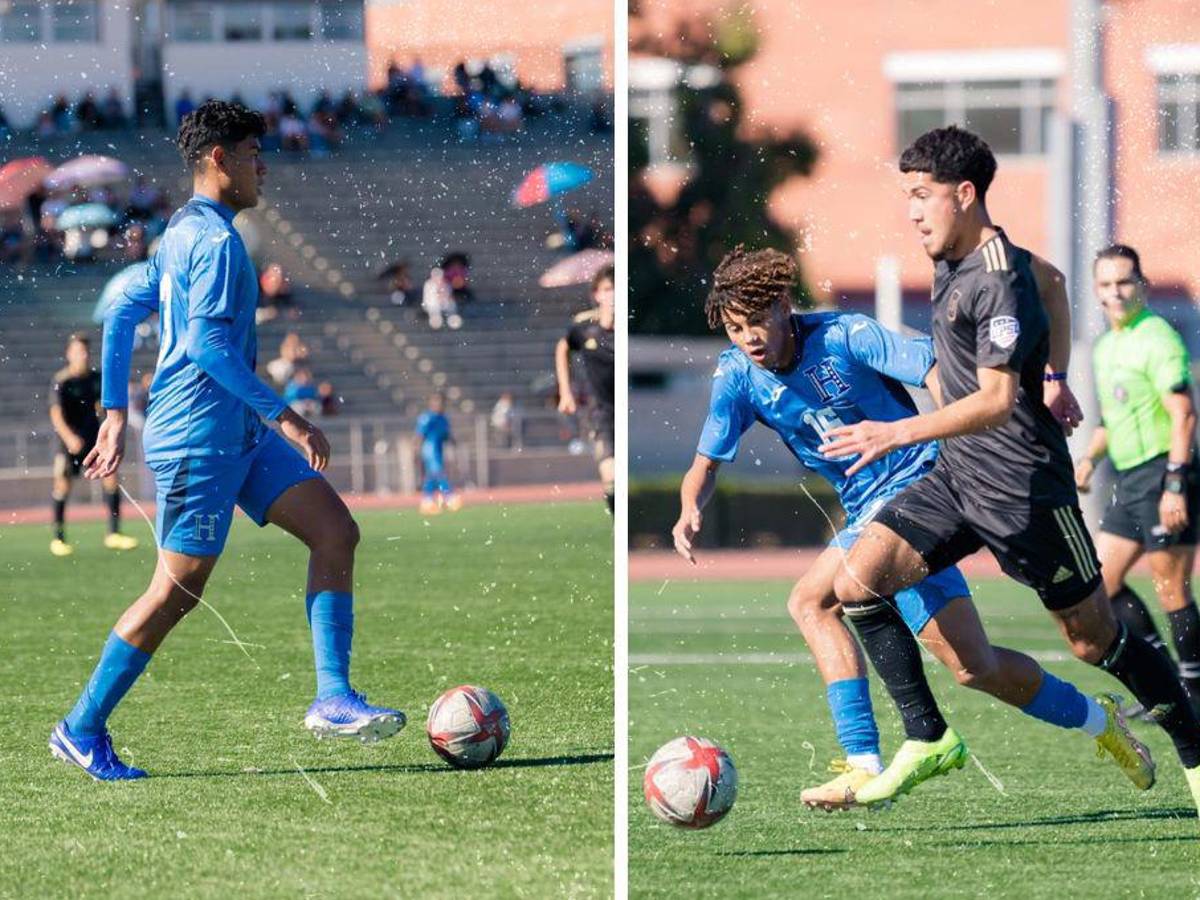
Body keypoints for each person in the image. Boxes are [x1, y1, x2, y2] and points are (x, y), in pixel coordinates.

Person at [674, 246, 1148, 810]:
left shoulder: (848, 334)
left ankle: (868, 760)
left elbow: (935, 372)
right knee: (975, 668)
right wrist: (689, 507)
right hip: (865, 511)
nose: (748, 337)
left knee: (813, 601)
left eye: (756, 322)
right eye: (734, 328)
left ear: (783, 305)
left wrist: (966, 447)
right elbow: (704, 465)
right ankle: (1102, 722)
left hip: (921, 491)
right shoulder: (736, 376)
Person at [819, 125, 1200, 811]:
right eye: (908, 196)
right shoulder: (960, 254)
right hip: (958, 479)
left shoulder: (995, 277)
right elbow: (1055, 282)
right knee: (857, 584)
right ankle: (928, 736)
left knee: (1094, 642)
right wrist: (1054, 372)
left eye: (922, 196)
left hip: (1026, 490)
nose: (912, 211)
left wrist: (896, 430)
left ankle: (1196, 755)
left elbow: (995, 402)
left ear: (964, 195)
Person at [50, 100, 405, 782]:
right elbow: (210, 344)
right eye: (252, 155)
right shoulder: (212, 241)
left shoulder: (182, 229)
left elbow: (126, 307)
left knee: (335, 531)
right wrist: (289, 417)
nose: (262, 167)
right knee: (176, 591)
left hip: (234, 435)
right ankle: (80, 727)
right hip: (198, 442)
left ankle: (332, 698)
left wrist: (118, 411)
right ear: (219, 159)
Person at [1075, 244, 1200, 715]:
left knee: (1171, 588)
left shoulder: (1158, 338)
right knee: (1101, 584)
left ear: (1141, 285)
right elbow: (1112, 419)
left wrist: (1175, 483)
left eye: (1124, 282)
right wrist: (1088, 458)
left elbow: (1183, 415)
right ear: (1097, 291)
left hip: (1163, 471)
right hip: (1128, 479)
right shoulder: (1107, 346)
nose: (1116, 292)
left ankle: (1194, 696)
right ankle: (1166, 682)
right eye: (1106, 285)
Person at [47, 334, 140, 557]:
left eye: (86, 351)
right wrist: (69, 438)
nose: (83, 356)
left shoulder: (96, 379)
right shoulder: (62, 381)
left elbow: (105, 405)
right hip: (68, 443)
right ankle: (58, 538)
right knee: (63, 485)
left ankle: (114, 533)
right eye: (79, 351)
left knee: (111, 478)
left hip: (93, 439)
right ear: (69, 354)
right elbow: (56, 415)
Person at [556, 266, 615, 514]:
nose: (613, 295)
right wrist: (565, 391)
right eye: (608, 289)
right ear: (597, 294)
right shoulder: (584, 329)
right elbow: (562, 348)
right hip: (601, 415)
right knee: (612, 478)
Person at [415, 394, 459, 514]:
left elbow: (446, 434)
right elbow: (419, 435)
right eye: (435, 402)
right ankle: (449, 496)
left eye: (440, 403)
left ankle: (427, 501)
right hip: (429, 449)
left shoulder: (443, 418)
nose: (438, 405)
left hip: (438, 449)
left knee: (432, 475)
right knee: (438, 472)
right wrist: (416, 450)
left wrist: (452, 441)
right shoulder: (426, 418)